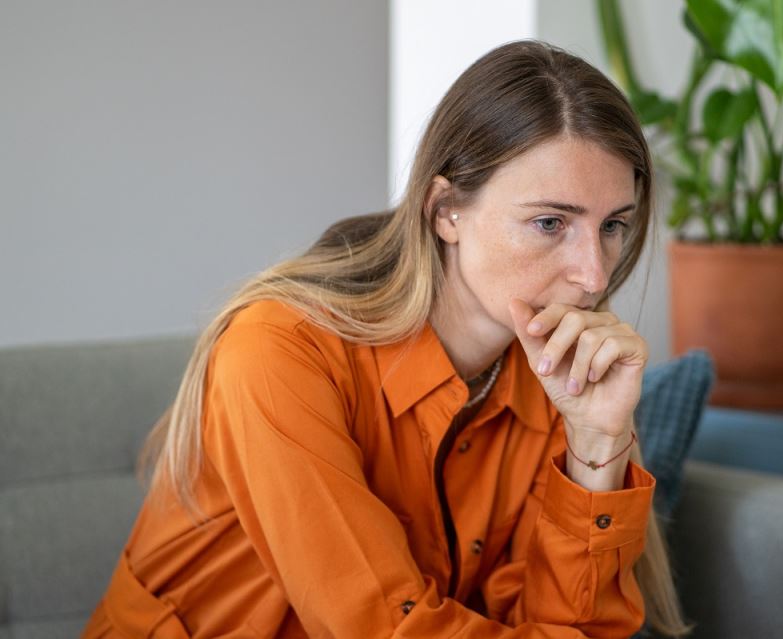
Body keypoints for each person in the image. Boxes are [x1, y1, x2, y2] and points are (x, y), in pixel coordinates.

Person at [82, 39, 691, 638]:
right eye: (550, 222)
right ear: (445, 211)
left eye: (613, 225)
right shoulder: (277, 349)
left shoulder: (554, 378)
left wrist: (597, 442)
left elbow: (572, 626)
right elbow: (380, 629)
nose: (594, 274)